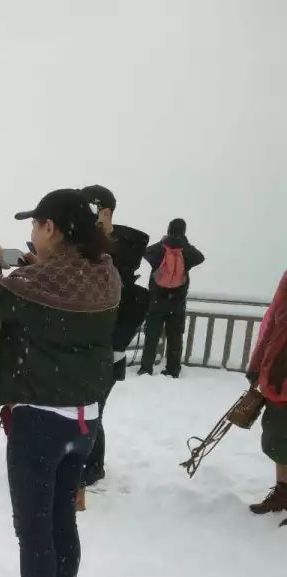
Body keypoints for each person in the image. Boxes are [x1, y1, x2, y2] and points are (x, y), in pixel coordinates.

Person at [0, 189, 120, 577]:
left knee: (33, 525)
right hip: (83, 421)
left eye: (35, 225)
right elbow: (56, 306)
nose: (31, 233)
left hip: (41, 420)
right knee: (60, 516)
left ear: (51, 227)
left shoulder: (43, 281)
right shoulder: (103, 273)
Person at [78, 185, 150, 495]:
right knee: (83, 406)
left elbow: (122, 270)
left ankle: (92, 466)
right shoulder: (81, 243)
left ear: (105, 210)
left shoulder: (129, 241)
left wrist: (108, 233)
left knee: (93, 407)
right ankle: (87, 461)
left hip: (109, 346)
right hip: (83, 341)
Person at [138, 218, 206, 377]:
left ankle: (146, 368)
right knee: (175, 336)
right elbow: (200, 257)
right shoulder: (186, 251)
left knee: (152, 334)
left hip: (156, 301)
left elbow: (145, 251)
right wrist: (186, 244)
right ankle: (173, 369)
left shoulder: (160, 248)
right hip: (177, 302)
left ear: (169, 229)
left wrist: (163, 241)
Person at [247, 271, 287, 517]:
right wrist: (256, 364)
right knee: (276, 441)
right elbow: (271, 321)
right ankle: (283, 493)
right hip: (278, 379)